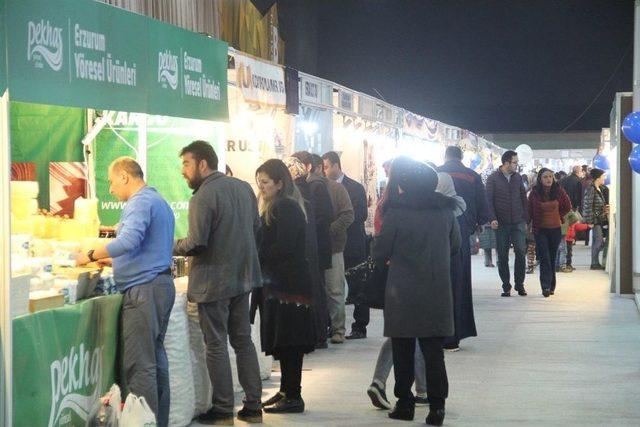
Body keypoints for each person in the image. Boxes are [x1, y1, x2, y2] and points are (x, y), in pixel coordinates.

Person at [76, 157, 175, 427]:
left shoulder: (139, 202)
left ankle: (144, 422)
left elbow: (129, 240)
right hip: (159, 285)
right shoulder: (157, 201)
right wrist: (115, 261)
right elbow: (144, 247)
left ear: (124, 176)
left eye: (110, 181)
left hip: (144, 290)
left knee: (140, 366)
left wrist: (90, 254)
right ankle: (158, 420)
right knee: (155, 361)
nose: (110, 189)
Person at [173, 141, 263, 425]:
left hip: (214, 282)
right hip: (243, 277)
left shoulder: (203, 196)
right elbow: (256, 227)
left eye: (186, 164)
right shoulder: (243, 188)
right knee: (243, 340)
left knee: (215, 345)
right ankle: (253, 405)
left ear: (202, 164)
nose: (183, 171)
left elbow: (197, 243)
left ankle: (223, 409)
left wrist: (169, 245)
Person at [367, 158, 466, 410]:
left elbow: (380, 252)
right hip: (437, 290)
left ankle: (405, 404)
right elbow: (456, 246)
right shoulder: (446, 212)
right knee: (434, 351)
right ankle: (437, 406)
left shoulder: (397, 213)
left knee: (403, 348)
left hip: (402, 292)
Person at [254, 159, 316, 413]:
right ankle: (286, 390)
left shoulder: (286, 207)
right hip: (281, 283)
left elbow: (286, 246)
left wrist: (258, 252)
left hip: (290, 286)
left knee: (290, 340)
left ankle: (294, 395)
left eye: (266, 182)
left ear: (280, 183)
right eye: (259, 182)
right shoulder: (277, 206)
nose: (261, 187)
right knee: (284, 339)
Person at [438, 146, 490, 351]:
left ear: (445, 156)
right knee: (459, 283)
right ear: (461, 157)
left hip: (437, 236)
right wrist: (473, 225)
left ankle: (437, 335)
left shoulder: (436, 173)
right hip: (461, 234)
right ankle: (454, 337)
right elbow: (482, 208)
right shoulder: (473, 176)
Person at [284, 156, 331, 349]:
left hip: (308, 253)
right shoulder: (305, 192)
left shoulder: (300, 195)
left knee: (313, 293)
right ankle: (318, 334)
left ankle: (316, 335)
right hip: (312, 251)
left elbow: (325, 218)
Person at [323, 151, 369, 340]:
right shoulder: (322, 188)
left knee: (358, 286)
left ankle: (359, 326)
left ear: (336, 165)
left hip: (353, 244)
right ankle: (331, 325)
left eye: (326, 167)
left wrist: (338, 224)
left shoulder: (355, 187)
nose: (324, 171)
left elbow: (360, 215)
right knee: (333, 288)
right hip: (333, 245)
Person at [311, 153, 353, 344]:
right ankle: (320, 328)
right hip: (311, 249)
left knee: (335, 290)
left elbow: (348, 215)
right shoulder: (303, 189)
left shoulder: (336, 189)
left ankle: (338, 329)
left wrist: (327, 231)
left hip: (333, 247)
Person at [485, 150, 530, 297]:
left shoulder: (517, 178)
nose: (516, 165)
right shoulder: (493, 178)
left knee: (520, 251)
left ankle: (520, 284)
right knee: (502, 255)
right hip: (501, 223)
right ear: (506, 163)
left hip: (518, 221)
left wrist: (526, 218)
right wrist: (492, 218)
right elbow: (488, 200)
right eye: (514, 162)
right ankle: (506, 285)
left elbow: (523, 198)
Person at [528, 168, 572, 297]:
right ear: (540, 179)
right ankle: (545, 286)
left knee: (552, 258)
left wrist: (559, 216)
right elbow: (529, 209)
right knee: (544, 258)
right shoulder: (534, 193)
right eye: (545, 177)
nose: (548, 179)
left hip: (555, 229)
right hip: (540, 230)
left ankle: (552, 285)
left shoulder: (559, 191)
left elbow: (567, 206)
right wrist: (529, 223)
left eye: (550, 177)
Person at [582, 168, 609, 270]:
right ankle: (594, 263)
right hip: (595, 219)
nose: (604, 178)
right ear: (598, 177)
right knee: (598, 241)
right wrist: (590, 221)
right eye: (603, 176)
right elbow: (587, 205)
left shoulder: (599, 188)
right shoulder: (591, 188)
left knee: (596, 241)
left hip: (599, 218)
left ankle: (594, 262)